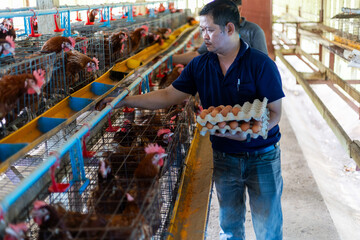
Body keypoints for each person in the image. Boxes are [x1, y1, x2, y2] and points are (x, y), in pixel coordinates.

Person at [97, 0, 284, 239]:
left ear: (229, 28)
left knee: (268, 225)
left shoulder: (261, 64)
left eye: (209, 30)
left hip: (262, 155)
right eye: (201, 30)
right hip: (225, 155)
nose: (204, 36)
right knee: (229, 225)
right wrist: (125, 100)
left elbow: (275, 113)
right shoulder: (200, 65)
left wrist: (247, 132)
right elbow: (168, 95)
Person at [172, 0, 268, 65]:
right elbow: (198, 54)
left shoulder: (254, 31)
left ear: (239, 9)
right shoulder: (216, 30)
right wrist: (170, 59)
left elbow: (262, 63)